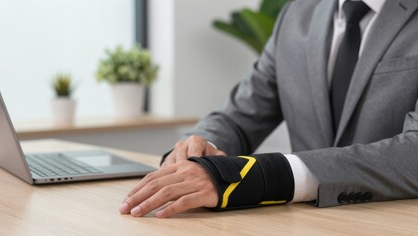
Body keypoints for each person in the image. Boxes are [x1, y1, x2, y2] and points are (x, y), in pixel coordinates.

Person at [120, 0, 418, 218]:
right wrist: (202, 147)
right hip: (300, 225)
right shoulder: (297, 14)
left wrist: (267, 178)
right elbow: (241, 113)